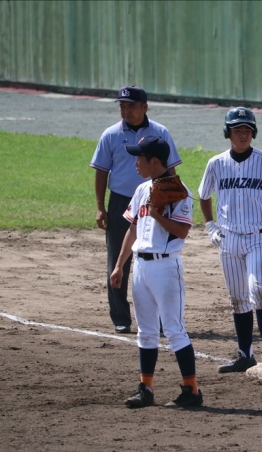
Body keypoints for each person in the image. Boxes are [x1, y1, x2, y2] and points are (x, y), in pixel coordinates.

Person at [198, 106, 262, 373]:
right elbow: (204, 194)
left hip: (259, 238)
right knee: (238, 298)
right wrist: (210, 225)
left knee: (259, 288)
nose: (242, 135)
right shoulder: (216, 164)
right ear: (227, 132)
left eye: (247, 130)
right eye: (237, 130)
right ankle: (245, 355)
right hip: (229, 239)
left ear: (253, 132)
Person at [110, 135, 203, 408]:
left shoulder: (180, 192)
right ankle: (146, 389)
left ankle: (192, 391)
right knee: (146, 331)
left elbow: (182, 231)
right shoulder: (142, 189)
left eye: (139, 158)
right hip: (141, 266)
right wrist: (119, 265)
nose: (135, 163)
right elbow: (133, 229)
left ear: (154, 161)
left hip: (166, 267)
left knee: (174, 329)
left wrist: (157, 214)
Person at [90, 86, 182, 334]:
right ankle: (120, 317)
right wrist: (100, 207)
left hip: (155, 201)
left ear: (145, 107)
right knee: (117, 259)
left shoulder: (160, 133)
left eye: (131, 106)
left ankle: (161, 318)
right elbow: (101, 172)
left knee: (156, 257)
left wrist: (171, 202)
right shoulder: (111, 134)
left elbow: (171, 169)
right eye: (122, 106)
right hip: (120, 201)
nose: (126, 111)